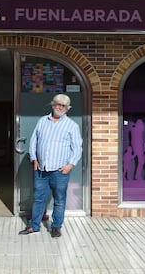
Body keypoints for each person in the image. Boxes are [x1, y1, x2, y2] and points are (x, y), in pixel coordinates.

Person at [19, 93, 83, 237]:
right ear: (52, 104)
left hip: (60, 171)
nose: (59, 107)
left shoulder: (71, 126)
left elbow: (77, 147)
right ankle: (34, 226)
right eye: (57, 104)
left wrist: (70, 165)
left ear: (67, 108)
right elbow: (34, 141)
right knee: (38, 198)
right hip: (41, 169)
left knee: (59, 200)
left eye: (63, 105)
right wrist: (34, 159)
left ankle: (56, 227)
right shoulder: (42, 121)